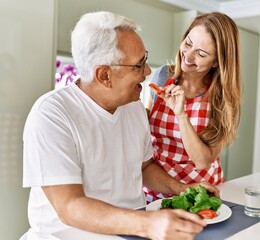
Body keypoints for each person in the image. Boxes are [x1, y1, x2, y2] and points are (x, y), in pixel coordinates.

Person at [22, 11, 219, 240]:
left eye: (145, 59)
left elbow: (144, 167)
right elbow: (70, 207)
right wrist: (147, 224)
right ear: (105, 75)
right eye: (138, 66)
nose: (147, 72)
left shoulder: (133, 106)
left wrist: (181, 189)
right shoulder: (52, 114)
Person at [144, 12, 241, 202]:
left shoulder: (221, 97)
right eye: (188, 44)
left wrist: (181, 114)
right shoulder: (162, 76)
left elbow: (203, 161)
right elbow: (146, 130)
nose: (188, 56)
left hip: (201, 192)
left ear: (216, 62)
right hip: (158, 186)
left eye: (201, 54)